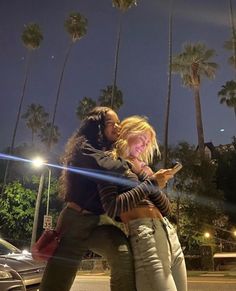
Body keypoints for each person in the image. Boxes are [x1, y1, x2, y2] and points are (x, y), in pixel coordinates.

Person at [39, 107, 167, 291]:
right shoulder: (84, 147)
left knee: (122, 255)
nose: (117, 127)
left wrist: (143, 174)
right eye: (111, 123)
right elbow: (105, 166)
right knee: (55, 285)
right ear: (97, 124)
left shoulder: (112, 151)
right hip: (76, 222)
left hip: (100, 221)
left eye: (118, 123)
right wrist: (136, 170)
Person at [98, 115, 188, 291]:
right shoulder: (110, 161)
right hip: (145, 235)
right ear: (128, 132)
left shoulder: (143, 168)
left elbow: (166, 208)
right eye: (143, 138)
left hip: (168, 232)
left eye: (148, 143)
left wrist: (149, 178)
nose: (145, 145)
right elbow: (112, 207)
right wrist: (151, 183)